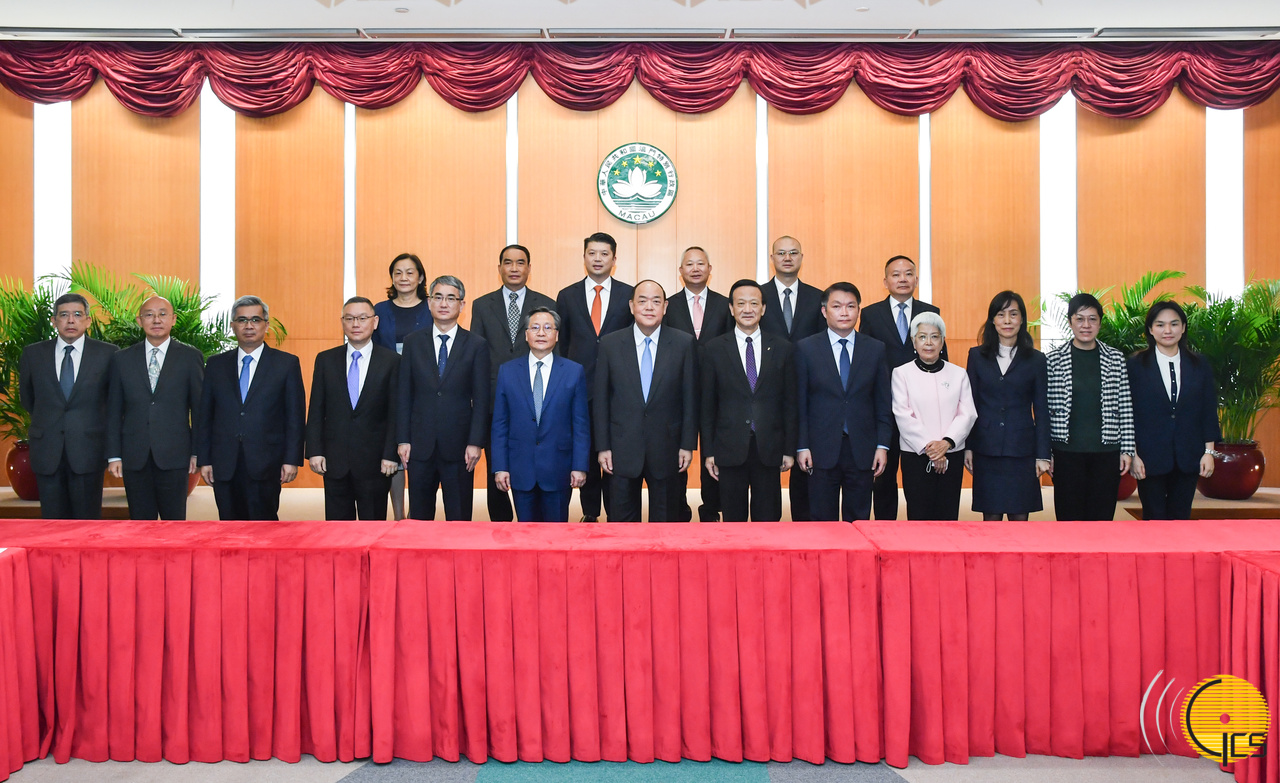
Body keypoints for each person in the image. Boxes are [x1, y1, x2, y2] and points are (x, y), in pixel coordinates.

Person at [595, 281, 698, 522]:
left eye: (656, 301)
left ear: (665, 307)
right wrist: (603, 446)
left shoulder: (683, 343)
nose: (649, 307)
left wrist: (687, 444)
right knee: (622, 526)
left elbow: (690, 398)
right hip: (621, 450)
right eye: (642, 301)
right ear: (632, 306)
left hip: (668, 448)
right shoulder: (610, 344)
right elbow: (601, 400)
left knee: (665, 524)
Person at [195, 295, 306, 521]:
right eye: (242, 320)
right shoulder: (216, 364)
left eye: (255, 320)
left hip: (267, 462)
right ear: (233, 325)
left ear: (266, 325)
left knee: (264, 526)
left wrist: (291, 459)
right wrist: (204, 459)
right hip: (224, 462)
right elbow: (204, 415)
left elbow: (295, 415)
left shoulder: (286, 364)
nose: (248, 326)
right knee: (228, 526)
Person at [468, 243, 556, 521]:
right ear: (499, 268)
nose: (514, 268)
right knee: (497, 463)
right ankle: (502, 524)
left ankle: (535, 518)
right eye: (508, 262)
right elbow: (477, 354)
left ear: (529, 268)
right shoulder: (482, 305)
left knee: (533, 459)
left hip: (536, 398)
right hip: (494, 399)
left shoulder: (546, 304)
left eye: (520, 263)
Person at [700, 279, 797, 522]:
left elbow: (790, 404)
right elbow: (707, 406)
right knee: (733, 521)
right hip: (729, 447)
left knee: (768, 520)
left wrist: (789, 449)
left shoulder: (783, 348)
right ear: (731, 308)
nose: (747, 309)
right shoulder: (714, 349)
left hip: (769, 447)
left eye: (754, 303)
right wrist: (709, 452)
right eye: (740, 303)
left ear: (763, 308)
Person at [554, 232, 634, 522]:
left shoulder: (628, 294)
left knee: (615, 453)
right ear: (584, 257)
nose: (598, 259)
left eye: (604, 254)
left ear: (614, 259)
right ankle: (590, 512)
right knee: (585, 451)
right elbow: (561, 343)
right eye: (592, 253)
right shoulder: (567, 295)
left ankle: (616, 512)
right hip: (580, 387)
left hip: (619, 389)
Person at [859, 255, 946, 520]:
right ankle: (885, 528)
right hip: (883, 406)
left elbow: (941, 358)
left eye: (908, 274)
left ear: (916, 279)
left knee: (917, 474)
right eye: (896, 274)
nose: (903, 279)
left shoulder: (930, 311)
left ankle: (917, 528)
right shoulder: (871, 314)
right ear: (885, 281)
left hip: (920, 410)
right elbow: (864, 359)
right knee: (883, 476)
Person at [795, 283, 892, 522]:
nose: (844, 312)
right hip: (820, 449)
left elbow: (882, 402)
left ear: (859, 310)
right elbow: (800, 403)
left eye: (851, 306)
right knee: (821, 521)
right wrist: (802, 446)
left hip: (863, 449)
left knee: (858, 520)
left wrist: (882, 445)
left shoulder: (875, 349)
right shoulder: (806, 348)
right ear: (824, 311)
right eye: (837, 306)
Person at [397, 276, 490, 521]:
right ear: (429, 303)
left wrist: (475, 442)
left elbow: (481, 399)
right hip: (420, 446)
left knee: (459, 519)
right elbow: (404, 395)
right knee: (419, 519)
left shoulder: (476, 345)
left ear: (462, 305)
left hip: (460, 448)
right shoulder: (412, 342)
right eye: (438, 297)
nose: (444, 303)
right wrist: (403, 439)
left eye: (451, 298)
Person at [18, 293, 118, 519]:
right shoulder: (33, 354)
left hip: (88, 449)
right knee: (52, 523)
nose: (71, 320)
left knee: (87, 522)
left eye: (77, 314)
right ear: (54, 321)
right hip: (47, 449)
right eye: (64, 315)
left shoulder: (108, 354)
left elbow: (113, 402)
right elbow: (28, 398)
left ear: (88, 320)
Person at [105, 295, 204, 520]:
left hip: (176, 454)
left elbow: (199, 410)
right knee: (140, 523)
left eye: (162, 314)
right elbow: (113, 411)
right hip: (134, 455)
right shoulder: (121, 359)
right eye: (149, 315)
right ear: (139, 320)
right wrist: (113, 455)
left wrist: (197, 452)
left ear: (173, 319)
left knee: (174, 522)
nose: (156, 320)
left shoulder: (190, 357)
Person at [305, 297, 401, 520]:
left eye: (362, 318)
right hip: (334, 461)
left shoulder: (392, 361)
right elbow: (316, 408)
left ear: (375, 322)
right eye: (349, 318)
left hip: (376, 463)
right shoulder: (326, 360)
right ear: (342, 322)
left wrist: (390, 455)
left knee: (372, 529)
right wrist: (315, 451)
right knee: (338, 531)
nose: (355, 324)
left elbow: (395, 413)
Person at [491, 307, 590, 523]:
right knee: (525, 534)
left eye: (548, 328)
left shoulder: (573, 371)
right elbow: (500, 423)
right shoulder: (507, 371)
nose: (541, 333)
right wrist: (500, 467)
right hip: (520, 468)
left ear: (557, 334)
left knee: (556, 534)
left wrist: (580, 466)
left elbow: (580, 424)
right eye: (535, 328)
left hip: (558, 468)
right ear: (526, 334)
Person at [1046, 293, 1135, 521]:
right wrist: (1046, 453)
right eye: (1080, 319)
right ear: (1070, 322)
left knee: (1101, 519)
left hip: (1106, 452)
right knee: (1069, 519)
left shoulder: (1115, 358)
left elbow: (1125, 407)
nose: (1086, 325)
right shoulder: (1052, 360)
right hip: (1065, 452)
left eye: (1092, 319)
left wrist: (1127, 450)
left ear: (1100, 323)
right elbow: (1045, 410)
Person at [1127, 300, 1219, 520]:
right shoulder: (1135, 365)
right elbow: (1128, 413)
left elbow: (1208, 410)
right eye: (1160, 325)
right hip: (1148, 458)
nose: (1167, 330)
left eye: (1174, 324)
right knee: (1154, 518)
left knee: (1181, 518)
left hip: (1188, 455)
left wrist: (1209, 453)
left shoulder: (1199, 364)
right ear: (1150, 329)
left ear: (1183, 327)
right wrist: (1133, 455)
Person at [964, 291, 1051, 521]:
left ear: (1022, 319)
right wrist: (968, 447)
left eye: (1013, 314)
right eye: (1001, 315)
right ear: (992, 320)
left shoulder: (1036, 359)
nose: (1007, 321)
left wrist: (1043, 454)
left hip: (1021, 450)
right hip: (986, 448)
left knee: (1019, 518)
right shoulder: (977, 356)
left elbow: (1042, 409)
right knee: (991, 519)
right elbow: (970, 405)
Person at [663, 246, 732, 521]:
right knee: (678, 451)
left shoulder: (725, 305)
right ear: (680, 270)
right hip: (678, 391)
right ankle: (679, 508)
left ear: (709, 269)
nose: (695, 268)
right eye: (689, 264)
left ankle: (711, 509)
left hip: (718, 391)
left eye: (700, 263)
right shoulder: (668, 305)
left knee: (714, 452)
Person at [759, 235, 823, 521]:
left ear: (801, 257)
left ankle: (804, 521)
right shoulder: (757, 296)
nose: (787, 258)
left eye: (793, 253)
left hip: (809, 389)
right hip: (766, 390)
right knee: (765, 463)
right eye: (781, 253)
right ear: (772, 258)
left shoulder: (818, 297)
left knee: (804, 458)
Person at [892, 312, 977, 520]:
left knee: (948, 515)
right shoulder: (901, 373)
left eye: (934, 337)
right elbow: (903, 414)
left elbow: (967, 413)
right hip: (916, 455)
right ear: (914, 341)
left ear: (942, 341)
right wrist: (931, 449)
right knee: (918, 515)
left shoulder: (958, 374)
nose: (928, 343)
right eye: (922, 337)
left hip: (951, 453)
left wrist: (946, 443)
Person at [372, 252, 431, 520]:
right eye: (398, 273)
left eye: (409, 272)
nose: (403, 278)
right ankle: (398, 515)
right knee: (392, 451)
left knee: (417, 451)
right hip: (386, 387)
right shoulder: (379, 310)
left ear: (420, 277)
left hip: (422, 388)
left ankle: (415, 512)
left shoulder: (431, 307)